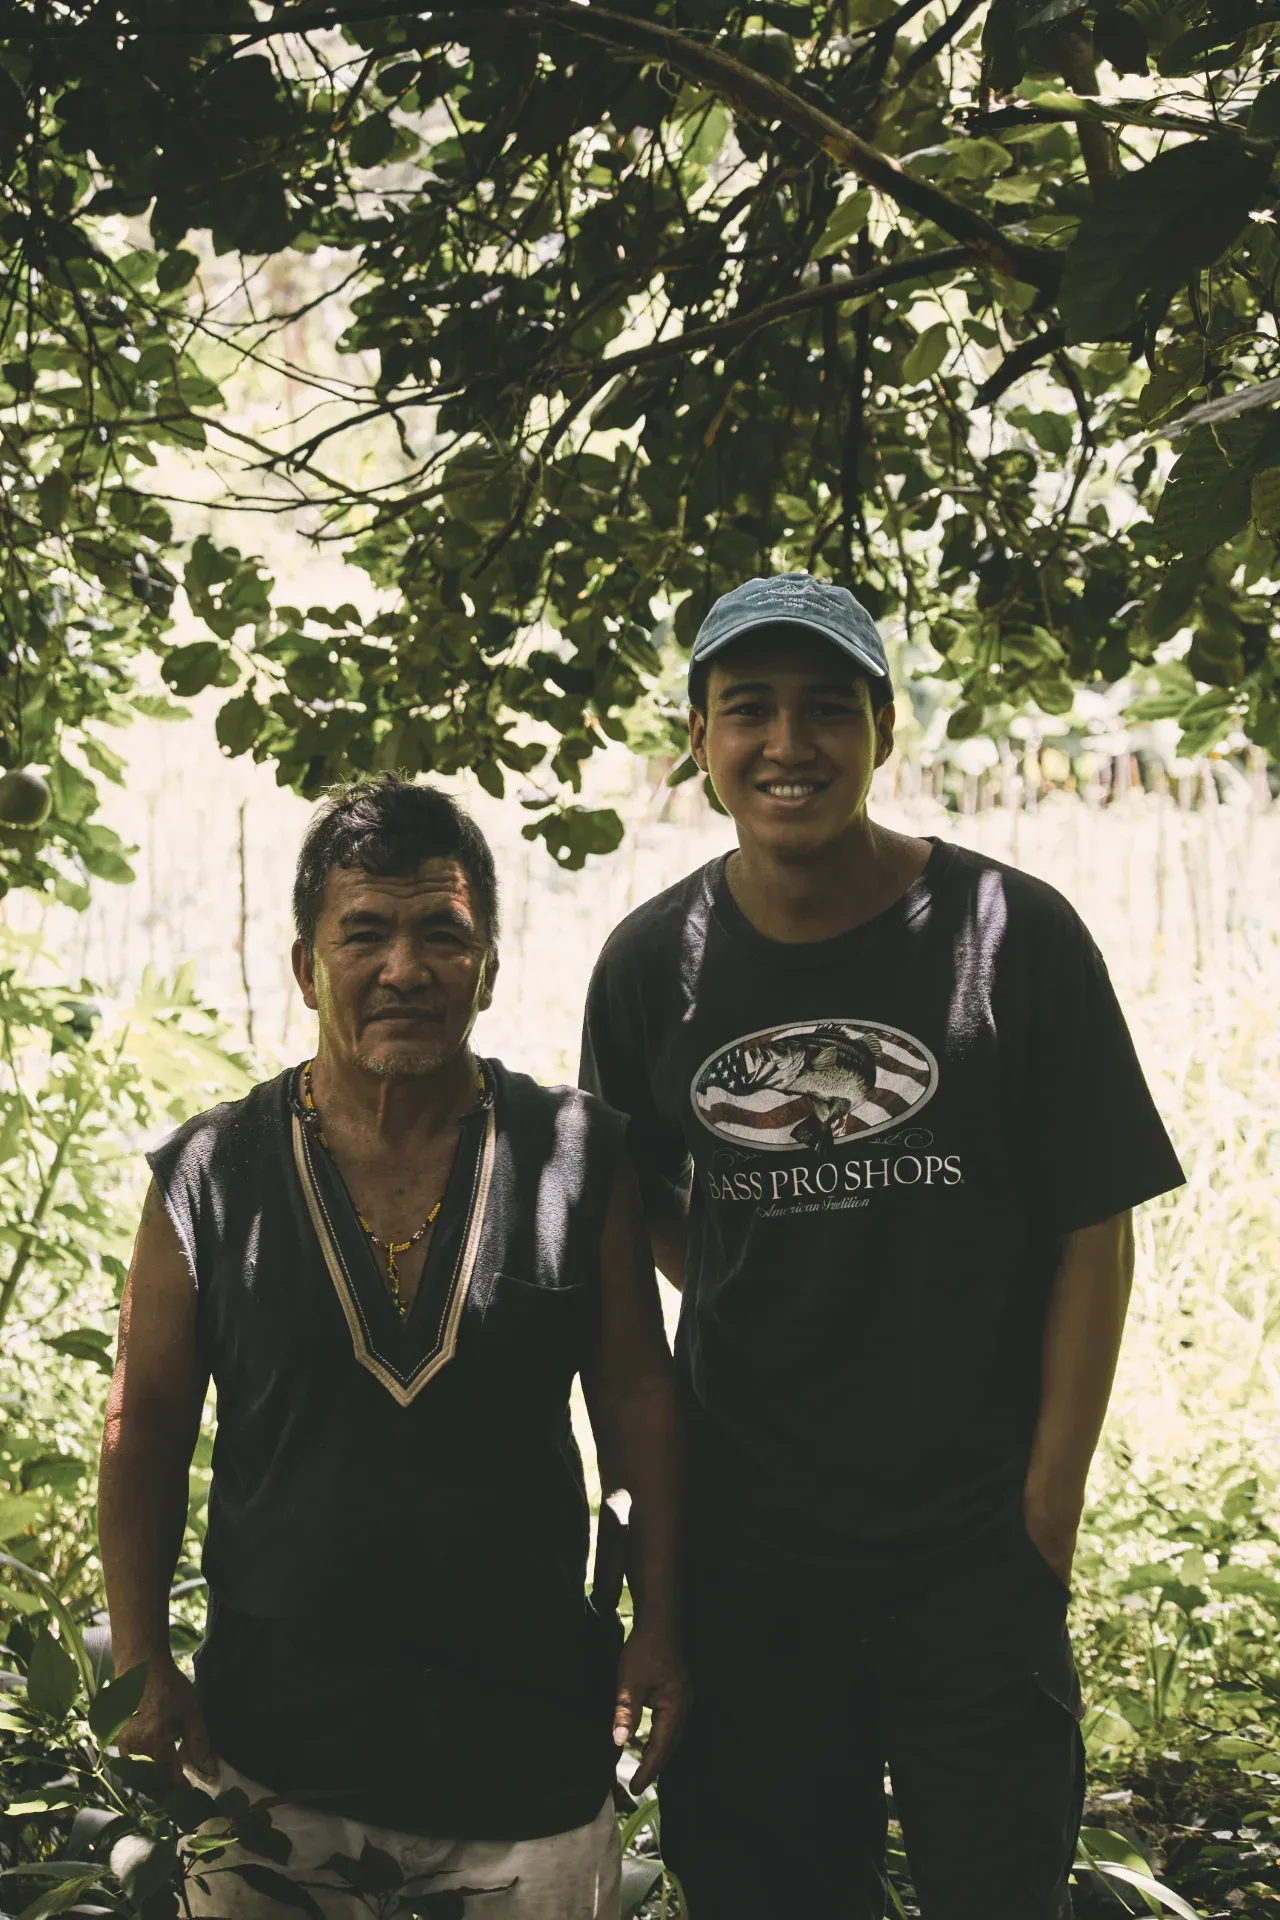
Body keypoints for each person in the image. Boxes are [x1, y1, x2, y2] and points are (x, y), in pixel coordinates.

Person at [580, 572, 1185, 1920]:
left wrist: (1047, 1504)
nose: (787, 745)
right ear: (698, 738)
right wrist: (770, 1253)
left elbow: (1097, 1220)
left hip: (975, 1541)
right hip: (749, 1545)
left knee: (1000, 1886)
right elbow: (640, 1223)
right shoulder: (649, 965)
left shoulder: (1011, 936)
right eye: (749, 710)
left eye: (824, 710)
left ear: (884, 729)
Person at [99, 775, 687, 1920]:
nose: (403, 971)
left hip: (525, 1752)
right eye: (362, 933)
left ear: (490, 967)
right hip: (271, 1757)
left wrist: (662, 1625)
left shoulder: (575, 1157)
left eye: (442, 936)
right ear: (303, 964)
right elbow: (145, 1425)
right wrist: (141, 1660)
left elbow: (637, 1406)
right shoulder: (209, 1177)